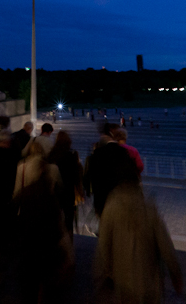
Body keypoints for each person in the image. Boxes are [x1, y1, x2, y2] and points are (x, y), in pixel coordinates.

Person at [95, 182, 182, 304]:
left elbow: (104, 245)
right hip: (149, 284)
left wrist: (106, 272)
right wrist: (175, 272)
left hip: (124, 284)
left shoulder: (111, 207)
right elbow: (165, 245)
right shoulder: (148, 207)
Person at [13, 140, 70, 304]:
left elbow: (16, 193)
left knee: (29, 262)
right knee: (47, 267)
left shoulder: (21, 167)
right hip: (47, 216)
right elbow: (60, 189)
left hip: (27, 215)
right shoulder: (52, 168)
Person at [83, 123, 139, 216]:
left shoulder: (97, 153)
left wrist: (88, 191)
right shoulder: (124, 152)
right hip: (119, 199)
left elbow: (89, 176)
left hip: (101, 200)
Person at [48, 131, 83, 236]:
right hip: (68, 192)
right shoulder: (71, 155)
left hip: (55, 192)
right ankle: (68, 245)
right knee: (68, 221)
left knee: (55, 220)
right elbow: (76, 176)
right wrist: (80, 191)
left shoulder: (51, 155)